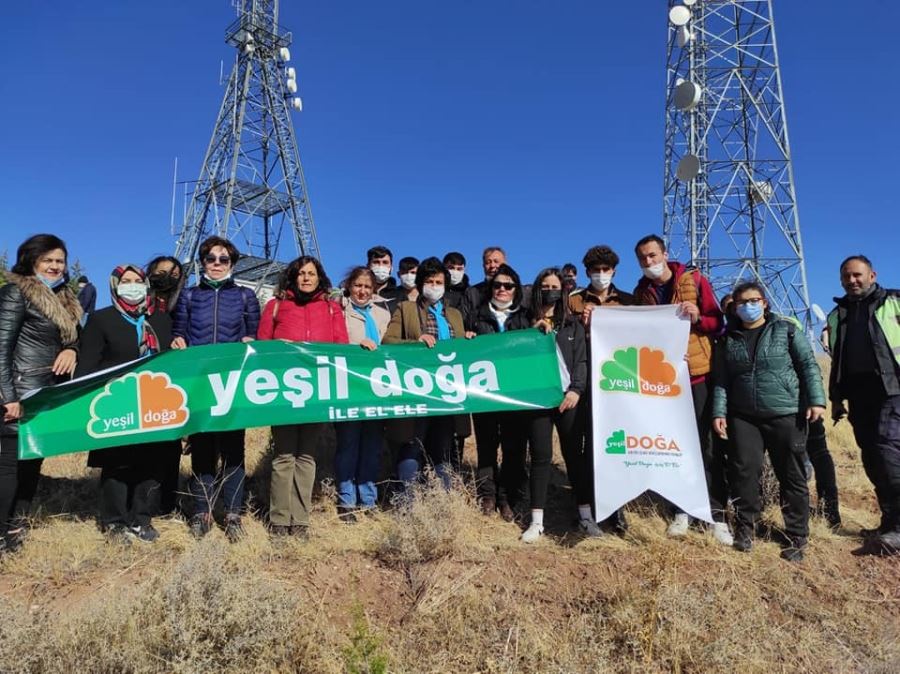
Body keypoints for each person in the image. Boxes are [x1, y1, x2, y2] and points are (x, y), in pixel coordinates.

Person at [712, 281, 826, 561]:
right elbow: (722, 381)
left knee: (791, 475)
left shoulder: (785, 330)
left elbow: (808, 365)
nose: (748, 307)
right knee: (743, 473)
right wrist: (719, 412)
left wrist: (816, 399)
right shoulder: (728, 339)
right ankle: (745, 528)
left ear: (764, 302)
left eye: (753, 301)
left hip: (785, 412)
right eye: (741, 303)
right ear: (734, 308)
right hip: (743, 416)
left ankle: (796, 535)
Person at [633, 234, 729, 543]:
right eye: (643, 258)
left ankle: (716, 515)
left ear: (664, 253)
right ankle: (681, 509)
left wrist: (699, 317)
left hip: (698, 376)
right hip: (663, 383)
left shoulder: (694, 280)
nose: (649, 262)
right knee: (673, 447)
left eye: (652, 255)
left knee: (708, 448)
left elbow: (719, 322)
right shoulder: (641, 291)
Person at [74, 265, 172, 543]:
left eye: (137, 281)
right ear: (115, 286)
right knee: (118, 464)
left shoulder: (161, 320)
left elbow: (169, 360)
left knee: (152, 463)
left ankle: (141, 517)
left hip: (155, 400)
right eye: (125, 281)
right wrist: (84, 399)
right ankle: (114, 520)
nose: (132, 286)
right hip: (116, 401)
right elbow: (89, 362)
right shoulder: (101, 319)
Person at [171, 236, 260, 540]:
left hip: (234, 383)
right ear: (203, 263)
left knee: (234, 451)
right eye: (212, 259)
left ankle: (233, 514)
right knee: (203, 450)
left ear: (233, 264)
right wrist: (178, 340)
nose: (218, 264)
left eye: (224, 259)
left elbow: (253, 334)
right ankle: (202, 511)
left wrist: (251, 341)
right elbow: (179, 331)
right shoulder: (190, 296)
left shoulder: (246, 297)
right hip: (199, 383)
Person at [0, 234, 81, 554]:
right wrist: (8, 396)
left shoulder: (64, 298)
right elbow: (1, 347)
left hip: (47, 392)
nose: (55, 266)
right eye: (47, 260)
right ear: (31, 260)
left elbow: (70, 338)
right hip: (17, 389)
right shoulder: (15, 292)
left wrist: (72, 350)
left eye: (59, 261)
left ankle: (17, 525)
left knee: (32, 460)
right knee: (8, 466)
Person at [257, 256, 349, 538]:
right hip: (283, 392)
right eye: (300, 273)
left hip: (316, 392)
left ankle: (301, 521)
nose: (306, 278)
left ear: (319, 277)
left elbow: (341, 348)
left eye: (311, 273)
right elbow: (263, 347)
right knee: (284, 455)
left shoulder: (332, 310)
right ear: (292, 277)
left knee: (307, 456)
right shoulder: (275, 307)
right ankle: (279, 520)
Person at [827, 255, 900, 554]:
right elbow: (837, 362)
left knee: (887, 451)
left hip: (892, 390)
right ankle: (888, 521)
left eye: (857, 275)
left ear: (872, 275)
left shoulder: (894, 303)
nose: (852, 280)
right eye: (846, 276)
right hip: (858, 395)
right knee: (871, 457)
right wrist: (835, 398)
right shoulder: (837, 315)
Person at [383, 257, 471, 489]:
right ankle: (407, 503)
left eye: (439, 281)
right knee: (412, 447)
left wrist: (469, 342)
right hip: (416, 390)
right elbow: (388, 341)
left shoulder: (454, 315)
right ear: (421, 284)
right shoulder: (406, 309)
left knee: (443, 450)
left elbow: (462, 350)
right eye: (430, 281)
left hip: (447, 393)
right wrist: (415, 342)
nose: (434, 286)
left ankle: (442, 502)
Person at [568, 245, 635, 534]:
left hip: (616, 384)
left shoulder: (629, 301)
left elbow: (646, 334)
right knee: (581, 446)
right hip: (583, 381)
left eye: (605, 269)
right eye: (595, 270)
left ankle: (615, 508)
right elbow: (563, 335)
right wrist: (581, 325)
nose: (600, 274)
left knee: (613, 446)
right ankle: (585, 507)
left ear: (614, 271)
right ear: (586, 273)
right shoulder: (573, 302)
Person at [520, 268, 587, 543]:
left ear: (563, 291)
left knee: (574, 456)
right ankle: (537, 521)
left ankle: (586, 516)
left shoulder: (573, 326)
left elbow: (581, 361)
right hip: (538, 400)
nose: (550, 290)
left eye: (555, 286)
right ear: (537, 290)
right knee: (540, 457)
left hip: (568, 399)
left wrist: (576, 391)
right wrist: (531, 331)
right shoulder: (524, 322)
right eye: (545, 285)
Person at [470, 263, 532, 520]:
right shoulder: (476, 316)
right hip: (484, 394)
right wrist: (469, 337)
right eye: (497, 285)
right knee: (486, 447)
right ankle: (487, 495)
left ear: (516, 289)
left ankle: (507, 497)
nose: (503, 289)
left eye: (508, 285)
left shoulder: (525, 318)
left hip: (515, 395)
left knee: (514, 447)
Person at [336, 267, 390, 520]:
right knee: (349, 444)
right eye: (358, 285)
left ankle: (368, 500)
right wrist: (355, 348)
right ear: (349, 286)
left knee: (371, 445)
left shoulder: (381, 313)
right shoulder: (339, 310)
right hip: (349, 387)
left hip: (377, 388)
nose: (362, 291)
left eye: (367, 287)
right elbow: (332, 342)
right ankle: (346, 501)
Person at [145, 255, 185, 516]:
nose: (167, 277)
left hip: (174, 383)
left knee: (170, 448)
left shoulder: (183, 305)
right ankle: (142, 503)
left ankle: (167, 504)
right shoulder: (141, 305)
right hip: (144, 381)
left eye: (174, 273)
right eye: (161, 272)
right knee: (144, 448)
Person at [462, 246, 507, 331]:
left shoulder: (518, 291)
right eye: (488, 262)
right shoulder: (472, 293)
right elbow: (463, 323)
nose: (492, 265)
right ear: (483, 266)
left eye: (496, 261)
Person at [367, 246, 400, 315]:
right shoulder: (358, 291)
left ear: (391, 268)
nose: (380, 266)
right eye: (376, 262)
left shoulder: (400, 295)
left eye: (385, 262)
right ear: (368, 266)